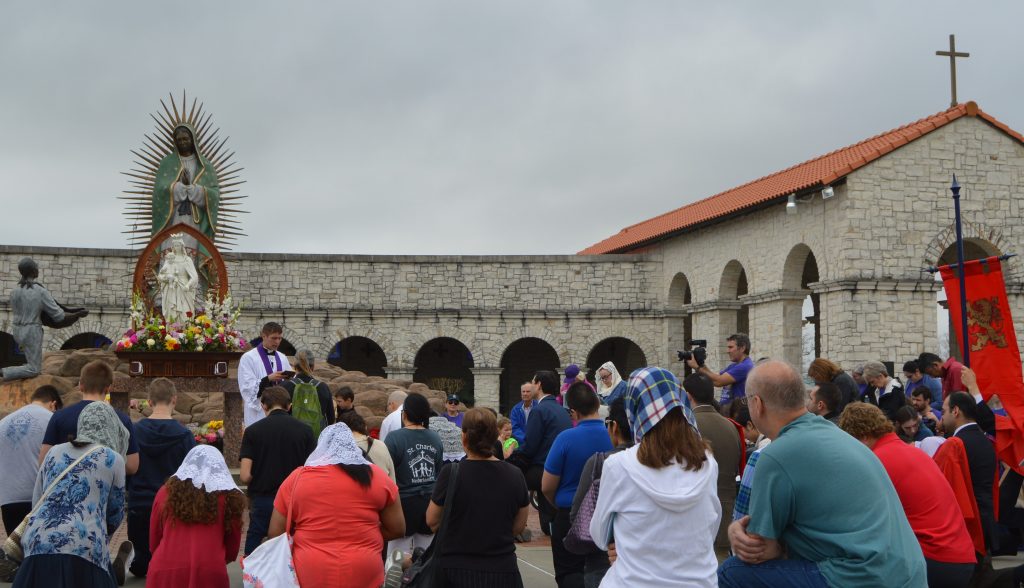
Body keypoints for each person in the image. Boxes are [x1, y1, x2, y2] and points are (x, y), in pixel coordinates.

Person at [717, 360, 926, 588]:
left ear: (757, 404)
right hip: (909, 574)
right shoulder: (840, 436)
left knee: (733, 571)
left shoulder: (775, 456)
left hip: (863, 578)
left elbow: (758, 550)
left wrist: (735, 530)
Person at [590, 367, 720, 587]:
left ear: (636, 409)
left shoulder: (619, 465)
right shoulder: (707, 462)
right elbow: (710, 527)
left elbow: (600, 535)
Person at [838, 403, 976, 587]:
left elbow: (857, 520)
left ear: (862, 438)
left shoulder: (877, 460)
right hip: (960, 556)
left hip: (931, 559)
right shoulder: (911, 451)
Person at [269, 423, 405, 587]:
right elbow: (398, 528)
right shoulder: (377, 477)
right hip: (364, 567)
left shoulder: (297, 478)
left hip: (310, 568)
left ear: (320, 448)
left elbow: (275, 533)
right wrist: (365, 533)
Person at [12, 402, 128, 588]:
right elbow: (115, 513)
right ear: (113, 427)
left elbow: (37, 501)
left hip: (39, 542)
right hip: (85, 547)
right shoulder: (113, 459)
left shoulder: (54, 452)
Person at [425, 408, 530, 587]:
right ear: (495, 437)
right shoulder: (515, 475)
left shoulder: (451, 473)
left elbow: (432, 521)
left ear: (464, 438)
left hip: (455, 569)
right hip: (502, 569)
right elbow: (519, 525)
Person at [542, 382, 613, 587]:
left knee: (568, 573)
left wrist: (558, 505)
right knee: (602, 571)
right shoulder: (612, 436)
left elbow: (547, 485)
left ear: (573, 412)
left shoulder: (565, 438)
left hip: (569, 514)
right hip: (605, 515)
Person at [146, 446, 245, 588]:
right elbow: (232, 549)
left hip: (165, 568)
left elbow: (154, 539)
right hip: (210, 571)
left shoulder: (165, 492)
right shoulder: (230, 497)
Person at [126, 378, 195, 579]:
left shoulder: (135, 431)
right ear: (175, 400)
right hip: (173, 502)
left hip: (140, 500)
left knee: (142, 560)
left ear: (149, 401)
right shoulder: (184, 435)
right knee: (171, 554)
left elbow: (129, 467)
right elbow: (191, 474)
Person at [238, 386, 316, 555]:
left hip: (264, 499)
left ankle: (252, 578)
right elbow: (312, 470)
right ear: (289, 406)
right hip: (295, 500)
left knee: (255, 540)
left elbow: (244, 475)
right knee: (293, 543)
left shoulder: (252, 432)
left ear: (263, 405)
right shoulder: (306, 431)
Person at [569, 397, 633, 587]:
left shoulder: (602, 462)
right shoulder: (660, 463)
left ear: (614, 426)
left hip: (600, 559)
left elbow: (578, 516)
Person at [40, 360, 140, 476]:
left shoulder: (59, 416)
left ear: (80, 386)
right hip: (105, 485)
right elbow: (132, 466)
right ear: (108, 389)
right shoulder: (122, 419)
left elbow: (44, 460)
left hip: (67, 485)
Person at [683, 372, 742, 561]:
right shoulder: (731, 426)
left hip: (696, 516)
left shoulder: (686, 426)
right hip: (726, 514)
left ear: (688, 395)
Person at [2, 259, 87, 381]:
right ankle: (3, 372)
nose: (38, 270)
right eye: (36, 268)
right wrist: (77, 314)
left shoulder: (14, 291)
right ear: (32, 271)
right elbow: (59, 315)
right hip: (31, 331)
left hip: (17, 330)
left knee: (31, 363)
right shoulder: (40, 291)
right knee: (34, 369)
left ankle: (19, 370)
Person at [512, 370, 572, 535]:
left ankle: (514, 526)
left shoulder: (539, 410)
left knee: (509, 476)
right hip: (559, 467)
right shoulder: (561, 409)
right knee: (548, 524)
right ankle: (549, 525)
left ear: (538, 385)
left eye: (532, 382)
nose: (530, 385)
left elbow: (530, 447)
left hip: (543, 469)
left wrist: (511, 459)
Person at [384, 393, 444, 555]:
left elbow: (387, 472)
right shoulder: (435, 438)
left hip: (402, 502)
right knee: (426, 554)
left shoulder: (394, 438)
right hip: (429, 502)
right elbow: (438, 471)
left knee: (396, 554)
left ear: (405, 414)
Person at [0, 385, 61, 535]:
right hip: (38, 496)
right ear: (53, 404)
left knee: (16, 552)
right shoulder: (52, 419)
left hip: (8, 498)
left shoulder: (3, 423)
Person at [943, 390, 996, 555]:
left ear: (955, 411)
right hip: (987, 520)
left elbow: (947, 489)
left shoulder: (955, 444)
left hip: (967, 527)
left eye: (944, 411)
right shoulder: (986, 441)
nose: (942, 416)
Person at [151, 123, 220, 250]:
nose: (182, 142)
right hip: (173, 218)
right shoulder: (167, 163)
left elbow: (214, 195)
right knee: (171, 248)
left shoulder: (205, 165)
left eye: (185, 139)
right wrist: (179, 187)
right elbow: (159, 192)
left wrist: (192, 189)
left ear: (192, 139)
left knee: (192, 249)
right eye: (179, 140)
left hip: (196, 221)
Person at [238, 321, 293, 428]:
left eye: (279, 338)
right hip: (259, 411)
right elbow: (247, 387)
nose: (277, 341)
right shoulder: (248, 357)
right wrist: (268, 378)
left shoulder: (282, 357)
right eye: (274, 338)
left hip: (280, 410)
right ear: (264, 336)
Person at [686, 333, 753, 406]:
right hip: (727, 411)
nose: (728, 351)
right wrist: (701, 364)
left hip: (736, 413)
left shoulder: (745, 366)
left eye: (731, 347)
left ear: (742, 348)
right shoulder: (734, 366)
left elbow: (719, 381)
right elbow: (713, 379)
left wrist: (697, 367)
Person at [280, 349, 335, 429]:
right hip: (316, 437)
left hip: (292, 437)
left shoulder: (284, 386)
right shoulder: (323, 387)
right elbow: (331, 419)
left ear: (295, 366)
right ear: (313, 367)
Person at [337, 410, 397, 482]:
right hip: (381, 491)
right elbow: (392, 479)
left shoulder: (338, 450)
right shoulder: (381, 445)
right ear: (365, 427)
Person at [156, 234, 199, 323]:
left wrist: (188, 285)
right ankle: (171, 333)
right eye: (175, 245)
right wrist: (167, 277)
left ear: (182, 246)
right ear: (173, 247)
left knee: (185, 313)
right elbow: (160, 275)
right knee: (172, 313)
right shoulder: (169, 260)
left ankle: (185, 333)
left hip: (184, 287)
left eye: (178, 245)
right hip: (171, 289)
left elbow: (194, 276)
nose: (176, 247)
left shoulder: (187, 260)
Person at [509, 382, 532, 446]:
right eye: (523, 391)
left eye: (528, 391)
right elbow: (514, 427)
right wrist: (525, 439)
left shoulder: (539, 406)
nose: (525, 394)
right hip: (521, 444)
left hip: (537, 443)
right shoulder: (515, 409)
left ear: (533, 392)